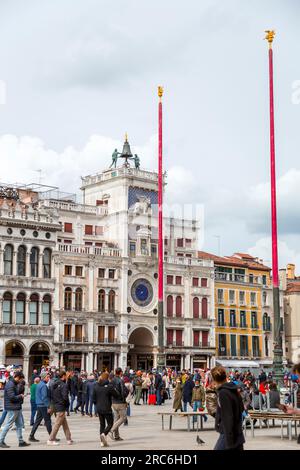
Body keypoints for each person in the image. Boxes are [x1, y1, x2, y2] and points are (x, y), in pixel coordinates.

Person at [211, 366, 245, 451]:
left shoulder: (223, 393)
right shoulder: (234, 389)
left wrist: (229, 440)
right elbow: (242, 409)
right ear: (226, 376)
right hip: (237, 432)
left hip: (228, 434)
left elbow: (228, 417)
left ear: (214, 379)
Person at [0, 371, 30, 448]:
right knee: (8, 425)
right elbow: (12, 397)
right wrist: (20, 396)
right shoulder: (10, 384)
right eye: (20, 379)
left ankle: (21, 441)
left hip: (16, 407)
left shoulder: (13, 384)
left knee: (19, 425)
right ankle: (1, 440)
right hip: (12, 408)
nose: (21, 381)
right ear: (17, 377)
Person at [93, 372, 121, 447]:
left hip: (99, 408)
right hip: (107, 408)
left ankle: (102, 442)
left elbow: (94, 399)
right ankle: (104, 434)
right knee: (110, 423)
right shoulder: (109, 386)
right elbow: (117, 395)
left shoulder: (96, 386)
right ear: (108, 378)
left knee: (102, 424)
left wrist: (97, 404)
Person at [47, 370, 73, 446]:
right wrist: (67, 405)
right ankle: (50, 439)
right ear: (63, 376)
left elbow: (51, 395)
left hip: (56, 404)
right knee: (57, 424)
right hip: (61, 406)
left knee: (64, 423)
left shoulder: (54, 384)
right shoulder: (64, 385)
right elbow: (65, 397)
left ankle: (69, 438)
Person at [29, 372, 55, 442]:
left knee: (37, 421)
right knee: (48, 421)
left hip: (39, 405)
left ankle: (31, 436)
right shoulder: (43, 385)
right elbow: (44, 397)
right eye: (47, 377)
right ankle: (52, 437)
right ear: (43, 377)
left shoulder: (38, 384)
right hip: (43, 405)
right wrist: (48, 406)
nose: (48, 378)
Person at [110, 368, 129, 441]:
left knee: (116, 418)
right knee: (123, 418)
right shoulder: (120, 381)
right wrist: (125, 397)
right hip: (120, 402)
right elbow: (123, 392)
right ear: (120, 372)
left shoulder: (112, 380)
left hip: (113, 402)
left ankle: (116, 436)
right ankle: (111, 429)